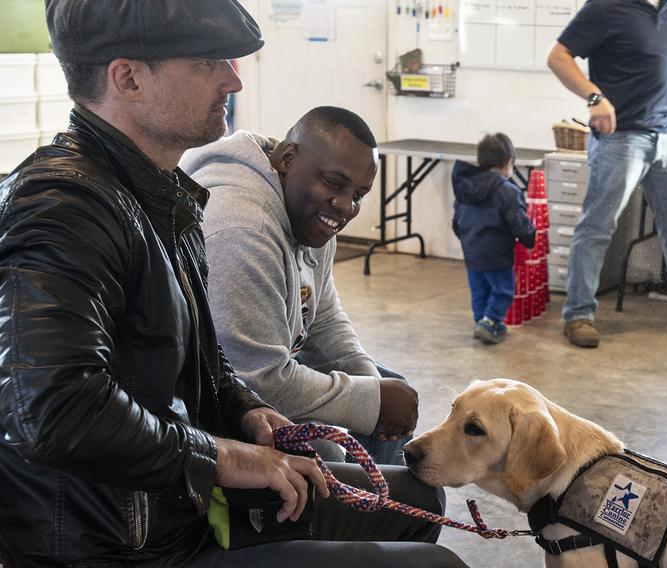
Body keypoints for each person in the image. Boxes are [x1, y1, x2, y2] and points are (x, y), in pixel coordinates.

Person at [0, 2, 467, 567]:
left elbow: (203, 358)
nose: (234, 77)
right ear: (128, 78)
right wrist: (223, 456)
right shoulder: (64, 207)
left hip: (182, 501)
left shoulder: (164, 194)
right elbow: (52, 411)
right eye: (206, 62)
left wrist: (243, 410)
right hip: (127, 546)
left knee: (418, 498)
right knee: (436, 564)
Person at [180, 107, 418, 466]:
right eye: (335, 184)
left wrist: (372, 389)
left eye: (359, 194)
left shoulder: (312, 214)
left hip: (262, 374)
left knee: (390, 388)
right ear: (287, 158)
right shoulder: (243, 231)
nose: (345, 206)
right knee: (325, 453)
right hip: (214, 401)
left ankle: (378, 508)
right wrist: (371, 401)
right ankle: (353, 516)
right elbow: (258, 381)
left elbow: (321, 318)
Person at [547, 0, 667, 349]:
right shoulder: (606, 7)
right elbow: (558, 56)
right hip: (621, 138)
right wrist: (595, 98)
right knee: (597, 227)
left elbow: (666, 44)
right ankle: (578, 315)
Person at [450, 133, 536, 344]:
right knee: (503, 290)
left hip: (471, 251)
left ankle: (483, 322)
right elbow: (518, 222)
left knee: (479, 290)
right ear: (508, 163)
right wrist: (529, 238)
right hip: (497, 253)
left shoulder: (465, 187)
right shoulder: (508, 191)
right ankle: (490, 322)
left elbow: (456, 221)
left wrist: (468, 240)